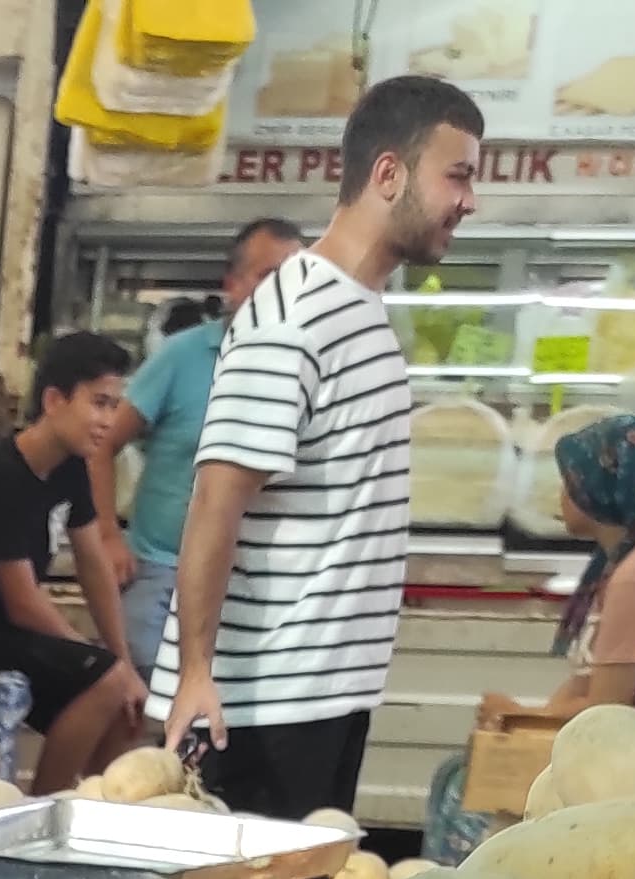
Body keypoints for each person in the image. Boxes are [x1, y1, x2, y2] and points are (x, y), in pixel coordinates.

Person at [160, 79, 483, 822]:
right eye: (458, 174)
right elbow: (216, 499)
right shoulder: (293, 314)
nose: (470, 200)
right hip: (260, 707)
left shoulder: (361, 310)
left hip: (325, 693)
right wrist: (195, 674)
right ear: (389, 174)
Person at [96, 219, 299, 682]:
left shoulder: (301, 368)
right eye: (269, 277)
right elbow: (102, 444)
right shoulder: (182, 355)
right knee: (137, 708)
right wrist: (107, 534)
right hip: (161, 573)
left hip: (250, 585)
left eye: (295, 281)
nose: (284, 294)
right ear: (233, 285)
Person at [0, 330, 142, 786]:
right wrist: (92, 659)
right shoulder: (1, 475)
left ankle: (101, 813)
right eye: (98, 403)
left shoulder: (72, 465)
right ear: (55, 400)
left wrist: (123, 658)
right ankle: (46, 808)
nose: (107, 421)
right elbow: (21, 600)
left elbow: (94, 563)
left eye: (114, 406)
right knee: (106, 682)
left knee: (129, 703)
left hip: (15, 633)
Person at [548, 410, 635, 696]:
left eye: (571, 481)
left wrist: (517, 715)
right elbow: (584, 685)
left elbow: (606, 711)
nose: (562, 495)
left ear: (603, 487)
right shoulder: (622, 562)